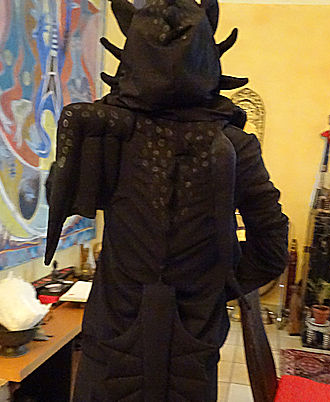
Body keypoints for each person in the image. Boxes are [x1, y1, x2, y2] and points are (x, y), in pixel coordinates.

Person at [44, 0, 289, 400]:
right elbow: (272, 247)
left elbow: (61, 195)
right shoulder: (232, 144)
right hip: (177, 336)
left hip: (124, 330)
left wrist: (218, 286)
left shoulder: (110, 135)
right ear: (208, 56)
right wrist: (213, 287)